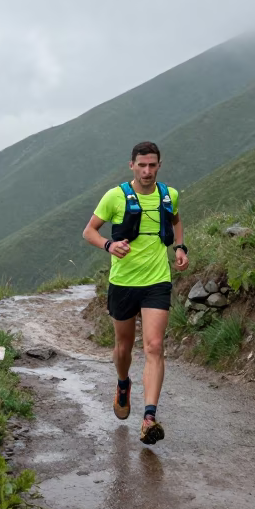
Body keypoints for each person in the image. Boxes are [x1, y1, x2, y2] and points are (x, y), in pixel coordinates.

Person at [81, 141, 188, 444]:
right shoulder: (114, 197)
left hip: (157, 281)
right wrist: (109, 245)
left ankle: (149, 418)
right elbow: (89, 231)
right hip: (124, 283)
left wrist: (179, 247)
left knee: (154, 346)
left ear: (159, 165)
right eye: (141, 165)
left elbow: (176, 221)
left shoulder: (169, 195)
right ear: (131, 165)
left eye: (152, 165)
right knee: (123, 348)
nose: (147, 171)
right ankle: (123, 383)